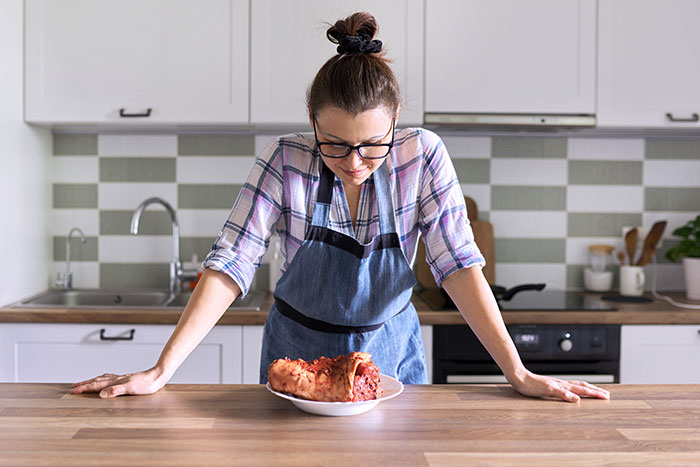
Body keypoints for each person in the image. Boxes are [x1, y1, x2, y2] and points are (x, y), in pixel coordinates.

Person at [71, 12, 610, 403]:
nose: (355, 162)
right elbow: (231, 263)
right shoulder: (284, 160)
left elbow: (458, 266)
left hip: (390, 357)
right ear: (312, 124)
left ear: (396, 121)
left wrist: (516, 372)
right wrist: (163, 370)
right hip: (296, 362)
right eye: (334, 144)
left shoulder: (422, 156)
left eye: (373, 144)